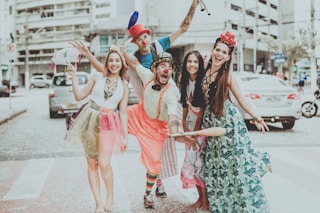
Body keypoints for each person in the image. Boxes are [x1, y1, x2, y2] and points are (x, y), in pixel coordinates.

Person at [71, 0, 200, 198]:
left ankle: (158, 180)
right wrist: (89, 54)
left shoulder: (159, 44)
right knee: (137, 140)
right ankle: (103, 164)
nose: (145, 40)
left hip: (165, 105)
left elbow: (183, 28)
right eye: (140, 38)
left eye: (146, 35)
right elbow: (107, 69)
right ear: (135, 42)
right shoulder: (133, 60)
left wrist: (193, 6)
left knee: (166, 144)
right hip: (144, 110)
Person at [192, 31, 272, 212]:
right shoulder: (203, 73)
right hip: (211, 126)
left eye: (223, 52)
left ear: (228, 57)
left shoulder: (227, 77)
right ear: (213, 51)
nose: (219, 54)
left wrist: (256, 116)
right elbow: (201, 106)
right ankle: (223, 205)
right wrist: (197, 130)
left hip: (229, 125)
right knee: (217, 167)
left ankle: (260, 166)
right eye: (217, 50)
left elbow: (242, 100)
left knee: (236, 166)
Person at [121, 50, 195, 209]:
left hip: (156, 130)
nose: (166, 70)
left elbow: (173, 117)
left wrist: (176, 134)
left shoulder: (172, 93)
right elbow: (134, 63)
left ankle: (147, 193)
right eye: (162, 66)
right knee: (112, 120)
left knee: (154, 164)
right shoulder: (147, 75)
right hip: (139, 115)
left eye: (169, 67)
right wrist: (122, 52)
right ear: (154, 69)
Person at [65, 47, 129, 213]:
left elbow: (122, 112)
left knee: (104, 163)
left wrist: (125, 136)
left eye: (117, 60)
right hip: (90, 119)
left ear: (122, 63)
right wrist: (73, 78)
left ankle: (110, 196)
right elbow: (79, 96)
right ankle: (98, 203)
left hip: (109, 122)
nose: (114, 63)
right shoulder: (96, 77)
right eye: (111, 60)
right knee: (92, 164)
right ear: (106, 62)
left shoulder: (124, 85)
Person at [178, 50, 210, 210]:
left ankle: (205, 201)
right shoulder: (183, 81)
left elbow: (202, 110)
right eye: (189, 61)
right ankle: (199, 198)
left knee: (198, 165)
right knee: (192, 165)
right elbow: (184, 105)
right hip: (189, 129)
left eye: (195, 62)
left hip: (200, 130)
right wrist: (184, 126)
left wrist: (195, 133)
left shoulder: (203, 83)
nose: (192, 65)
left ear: (200, 64)